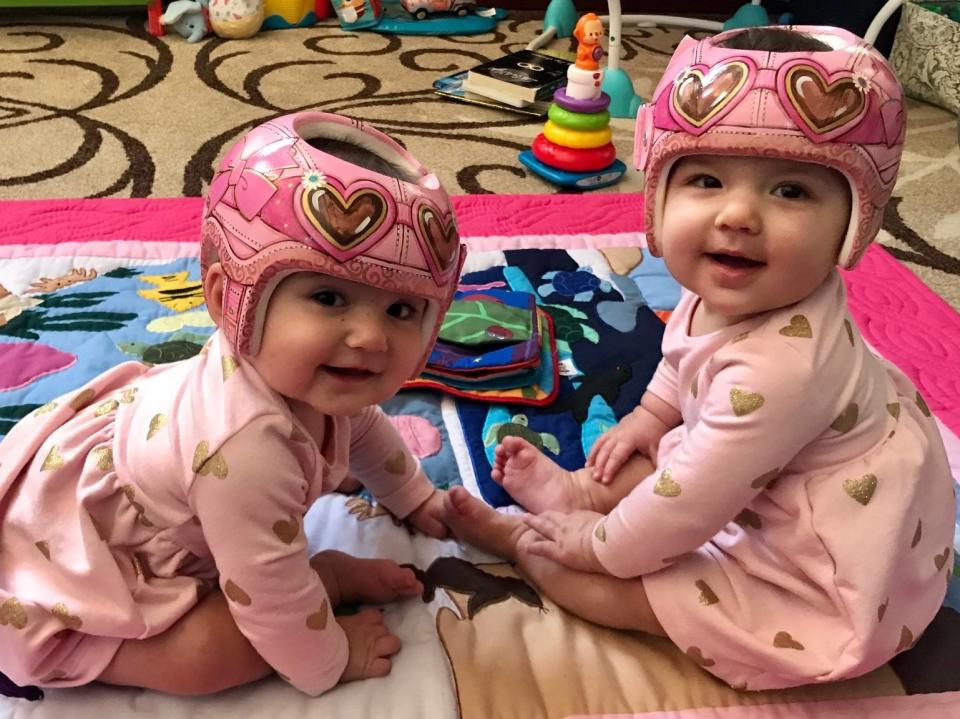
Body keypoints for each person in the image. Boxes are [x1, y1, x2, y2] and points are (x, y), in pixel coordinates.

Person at [443, 26, 956, 691]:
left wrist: (591, 547)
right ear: (657, 200)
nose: (738, 214)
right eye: (708, 180)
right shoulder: (736, 287)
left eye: (792, 192)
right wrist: (651, 417)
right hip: (758, 471)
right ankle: (575, 492)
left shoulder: (782, 372)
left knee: (637, 591)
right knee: (665, 456)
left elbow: (681, 512)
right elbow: (680, 356)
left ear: (852, 222)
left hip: (818, 560)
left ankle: (525, 544)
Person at [0, 111, 465, 699]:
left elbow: (365, 430)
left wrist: (413, 497)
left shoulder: (312, 380)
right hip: (82, 564)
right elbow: (268, 592)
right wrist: (331, 660)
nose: (372, 338)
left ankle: (320, 577)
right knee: (208, 655)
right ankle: (320, 582)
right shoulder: (245, 451)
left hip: (196, 515)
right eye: (328, 296)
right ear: (231, 298)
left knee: (266, 571)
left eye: (401, 311)